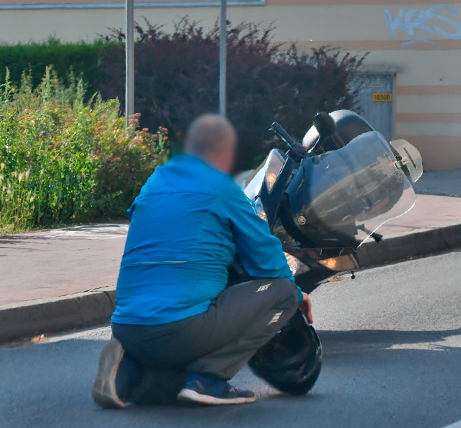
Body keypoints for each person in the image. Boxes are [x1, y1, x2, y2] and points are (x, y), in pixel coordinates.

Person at [92, 114, 313, 407]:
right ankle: (209, 379)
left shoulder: (154, 181)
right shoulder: (221, 188)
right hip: (179, 329)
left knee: (174, 314)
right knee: (282, 293)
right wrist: (298, 295)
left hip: (125, 325)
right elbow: (266, 259)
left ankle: (128, 369)